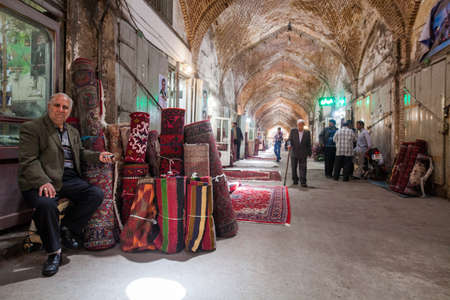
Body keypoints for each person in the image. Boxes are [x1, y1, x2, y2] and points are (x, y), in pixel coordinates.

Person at [18, 93, 114, 277]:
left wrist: (97, 156)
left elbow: (80, 152)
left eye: (65, 107)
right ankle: (54, 253)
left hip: (68, 179)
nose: (60, 110)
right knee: (46, 204)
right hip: (41, 179)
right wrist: (43, 181)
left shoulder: (72, 131)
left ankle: (67, 227)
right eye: (57, 105)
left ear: (69, 111)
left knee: (95, 194)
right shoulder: (32, 128)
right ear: (49, 106)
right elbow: (28, 161)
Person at [287, 119, 312, 187]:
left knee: (303, 168)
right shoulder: (293, 131)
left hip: (303, 153)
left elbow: (309, 143)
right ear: (297, 125)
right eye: (299, 125)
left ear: (303, 125)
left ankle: (303, 181)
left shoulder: (307, 132)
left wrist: (310, 152)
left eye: (302, 125)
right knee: (294, 167)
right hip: (294, 152)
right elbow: (289, 140)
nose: (300, 126)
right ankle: (295, 180)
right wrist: (289, 145)